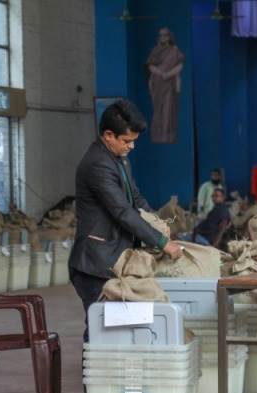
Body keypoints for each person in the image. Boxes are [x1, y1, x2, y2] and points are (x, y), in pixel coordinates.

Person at [69, 99, 183, 341]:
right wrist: (162, 243)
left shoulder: (120, 160)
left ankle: (115, 378)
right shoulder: (97, 164)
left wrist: (158, 225)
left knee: (119, 332)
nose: (131, 146)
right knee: (100, 332)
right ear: (108, 135)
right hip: (95, 264)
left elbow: (135, 199)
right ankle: (95, 379)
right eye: (126, 141)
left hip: (114, 258)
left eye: (133, 141)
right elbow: (122, 212)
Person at [147, 27, 185, 143]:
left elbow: (180, 66)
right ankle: (157, 136)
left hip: (169, 84)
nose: (162, 37)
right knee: (157, 110)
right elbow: (150, 66)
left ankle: (167, 136)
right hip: (157, 84)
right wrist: (161, 73)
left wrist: (168, 74)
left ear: (169, 36)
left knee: (168, 110)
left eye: (165, 35)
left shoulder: (175, 51)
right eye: (161, 35)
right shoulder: (155, 50)